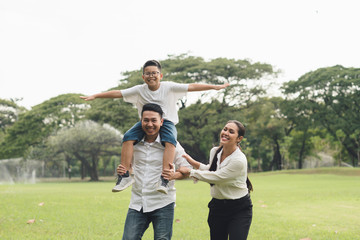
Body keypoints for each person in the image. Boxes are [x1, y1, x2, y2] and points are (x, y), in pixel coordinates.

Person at [81, 59, 229, 194]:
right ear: (143, 77)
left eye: (154, 73)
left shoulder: (169, 87)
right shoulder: (139, 90)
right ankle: (125, 175)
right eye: (148, 74)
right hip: (145, 123)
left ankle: (164, 178)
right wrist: (96, 96)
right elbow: (118, 93)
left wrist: (214, 87)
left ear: (161, 75)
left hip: (167, 122)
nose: (151, 76)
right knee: (127, 137)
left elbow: (192, 86)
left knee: (170, 140)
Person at [117, 103, 191, 240]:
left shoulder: (172, 145)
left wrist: (173, 175)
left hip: (163, 203)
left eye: (153, 120)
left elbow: (187, 169)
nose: (149, 124)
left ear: (161, 122)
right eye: (146, 120)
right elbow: (129, 167)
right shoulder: (133, 144)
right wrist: (124, 170)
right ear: (141, 121)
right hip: (138, 202)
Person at [178, 120, 253, 240]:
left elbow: (218, 177)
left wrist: (191, 172)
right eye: (225, 129)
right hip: (217, 207)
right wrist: (193, 163)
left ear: (239, 138)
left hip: (239, 209)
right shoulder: (215, 151)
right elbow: (212, 170)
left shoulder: (239, 160)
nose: (226, 133)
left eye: (231, 131)